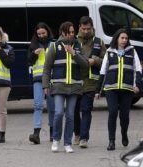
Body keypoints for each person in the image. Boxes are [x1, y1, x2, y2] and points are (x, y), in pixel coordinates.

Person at [42, 21, 88, 153]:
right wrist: (46, 85)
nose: (72, 34)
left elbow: (85, 64)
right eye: (70, 32)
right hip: (58, 86)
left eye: (73, 32)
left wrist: (74, 53)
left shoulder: (78, 46)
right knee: (58, 113)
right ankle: (56, 139)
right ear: (63, 33)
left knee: (70, 115)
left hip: (75, 86)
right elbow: (47, 67)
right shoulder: (55, 46)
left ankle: (68, 143)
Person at [97, 28, 142, 151]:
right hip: (111, 88)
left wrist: (136, 84)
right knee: (112, 113)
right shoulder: (109, 52)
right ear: (117, 38)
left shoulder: (132, 51)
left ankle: (124, 133)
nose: (124, 40)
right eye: (122, 38)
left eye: (126, 38)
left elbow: (138, 69)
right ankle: (111, 141)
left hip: (127, 89)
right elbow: (103, 71)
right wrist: (98, 91)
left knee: (124, 116)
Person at [74, 16, 106, 148]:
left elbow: (105, 60)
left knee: (86, 109)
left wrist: (96, 61)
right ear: (79, 27)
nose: (86, 31)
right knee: (74, 110)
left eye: (88, 28)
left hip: (90, 81)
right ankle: (77, 133)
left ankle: (84, 137)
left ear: (92, 27)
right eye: (83, 28)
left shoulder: (98, 41)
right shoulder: (74, 40)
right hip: (75, 81)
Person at [27, 22, 55, 144]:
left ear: (47, 32)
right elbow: (29, 61)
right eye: (39, 34)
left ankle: (53, 133)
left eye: (43, 33)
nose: (41, 35)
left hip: (52, 78)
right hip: (38, 78)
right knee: (38, 105)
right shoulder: (33, 44)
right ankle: (36, 133)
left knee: (52, 107)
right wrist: (34, 53)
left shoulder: (54, 44)